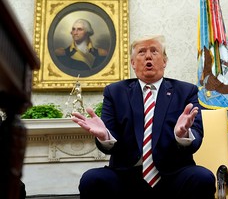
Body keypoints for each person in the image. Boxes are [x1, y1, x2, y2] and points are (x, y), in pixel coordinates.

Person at [71, 35, 216, 198]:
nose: (148, 56)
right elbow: (110, 143)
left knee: (202, 177)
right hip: (126, 177)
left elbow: (196, 137)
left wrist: (183, 135)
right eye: (141, 52)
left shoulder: (185, 91)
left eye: (154, 51)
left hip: (172, 175)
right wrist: (105, 136)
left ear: (164, 61)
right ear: (133, 63)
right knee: (92, 179)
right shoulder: (115, 92)